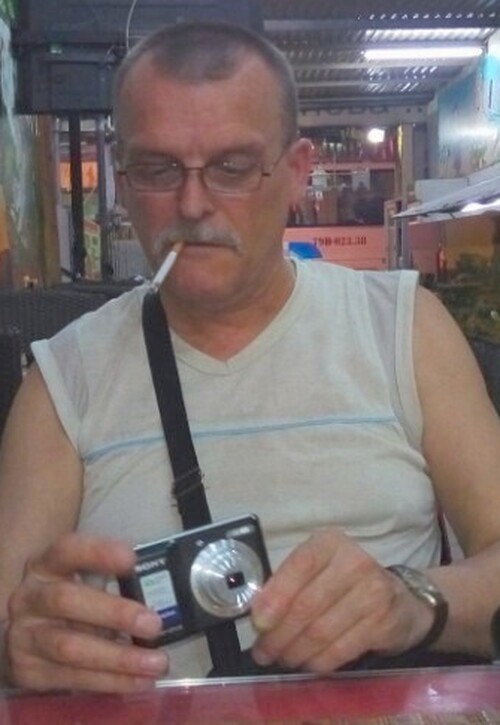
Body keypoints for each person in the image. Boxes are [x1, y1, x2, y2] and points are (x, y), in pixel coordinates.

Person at [1, 21, 500, 694]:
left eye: (233, 168)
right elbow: (9, 616)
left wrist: (413, 602)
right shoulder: (65, 380)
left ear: (295, 173)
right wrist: (18, 648)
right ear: (122, 178)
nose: (193, 203)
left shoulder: (402, 328)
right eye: (158, 169)